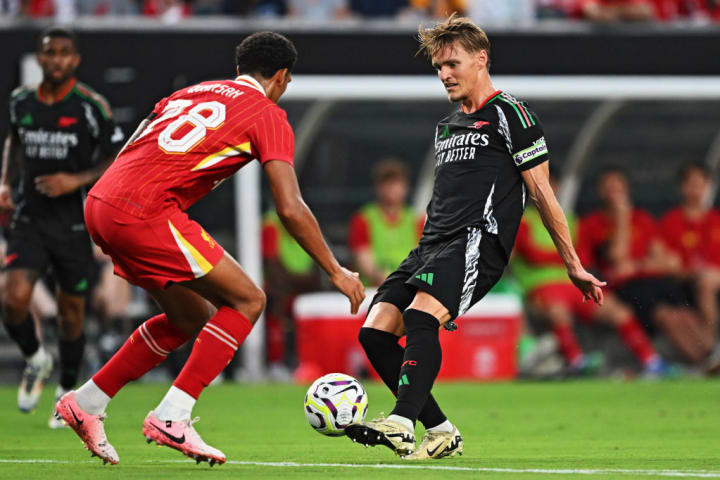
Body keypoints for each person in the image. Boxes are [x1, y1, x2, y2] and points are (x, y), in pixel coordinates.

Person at [54, 31, 364, 466]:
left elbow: (132, 150)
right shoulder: (267, 113)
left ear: (239, 69)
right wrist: (335, 269)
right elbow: (290, 208)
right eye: (287, 82)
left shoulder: (188, 92)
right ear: (280, 76)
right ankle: (172, 415)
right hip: (145, 211)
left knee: (189, 317)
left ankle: (86, 402)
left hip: (102, 202)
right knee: (248, 299)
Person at [346, 14, 604, 459]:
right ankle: (441, 430)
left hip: (478, 242)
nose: (445, 74)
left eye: (452, 63)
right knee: (374, 332)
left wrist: (572, 263)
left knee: (423, 315)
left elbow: (542, 193)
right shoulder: (448, 124)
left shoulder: (512, 114)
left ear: (481, 59)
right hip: (431, 245)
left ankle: (401, 422)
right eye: (439, 68)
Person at [0, 26, 124, 428]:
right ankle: (37, 358)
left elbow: (117, 157)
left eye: (64, 53)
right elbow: (14, 143)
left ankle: (67, 392)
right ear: (39, 58)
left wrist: (76, 181)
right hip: (30, 220)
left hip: (73, 223)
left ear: (76, 60)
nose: (56, 59)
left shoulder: (91, 105)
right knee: (12, 299)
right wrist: (5, 181)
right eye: (49, 52)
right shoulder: (21, 101)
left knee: (73, 317)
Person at [513, 180, 663, 376]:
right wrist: (567, 256)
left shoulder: (571, 219)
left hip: (576, 284)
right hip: (542, 286)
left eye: (550, 186)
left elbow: (584, 257)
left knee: (619, 311)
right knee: (558, 311)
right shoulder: (522, 221)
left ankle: (652, 361)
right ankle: (576, 362)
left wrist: (554, 257)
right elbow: (532, 255)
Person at [577, 167, 688, 374]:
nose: (614, 193)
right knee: (664, 316)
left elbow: (670, 262)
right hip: (622, 288)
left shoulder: (643, 219)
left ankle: (707, 358)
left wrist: (638, 266)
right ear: (600, 192)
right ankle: (660, 364)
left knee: (684, 313)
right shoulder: (592, 224)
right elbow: (617, 258)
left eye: (618, 187)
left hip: (650, 282)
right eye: (609, 188)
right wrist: (622, 218)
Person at [660, 162, 720, 367]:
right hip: (687, 285)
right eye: (691, 183)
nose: (696, 189)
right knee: (705, 283)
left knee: (709, 280)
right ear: (682, 187)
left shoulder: (716, 220)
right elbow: (669, 265)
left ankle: (711, 348)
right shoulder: (671, 221)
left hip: (713, 279)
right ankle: (711, 348)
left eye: (701, 184)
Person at [261, 208, 321, 378]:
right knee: (277, 301)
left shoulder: (307, 219)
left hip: (303, 286)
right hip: (279, 284)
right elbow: (271, 263)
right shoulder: (271, 224)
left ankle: (307, 361)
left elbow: (317, 262)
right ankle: (276, 362)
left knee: (314, 304)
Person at [348, 158, 423, 287]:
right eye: (387, 183)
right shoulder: (363, 219)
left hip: (408, 288)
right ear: (378, 187)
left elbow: (423, 258)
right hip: (374, 291)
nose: (392, 189)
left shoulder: (417, 220)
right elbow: (365, 263)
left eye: (397, 183)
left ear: (405, 187)